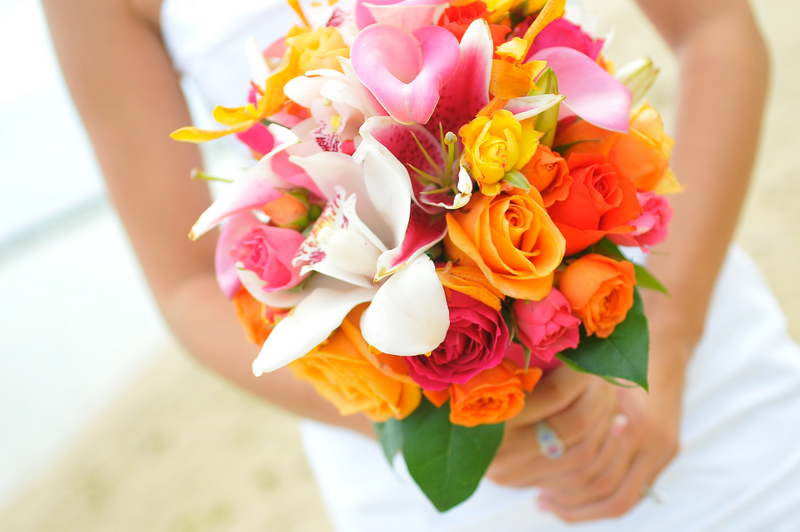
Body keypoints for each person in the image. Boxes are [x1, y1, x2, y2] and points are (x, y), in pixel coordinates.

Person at [42, 0, 800, 530]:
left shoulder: (676, 346)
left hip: (696, 377)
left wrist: (668, 338)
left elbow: (717, 30)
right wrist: (409, 406)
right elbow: (184, 287)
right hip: (432, 474)